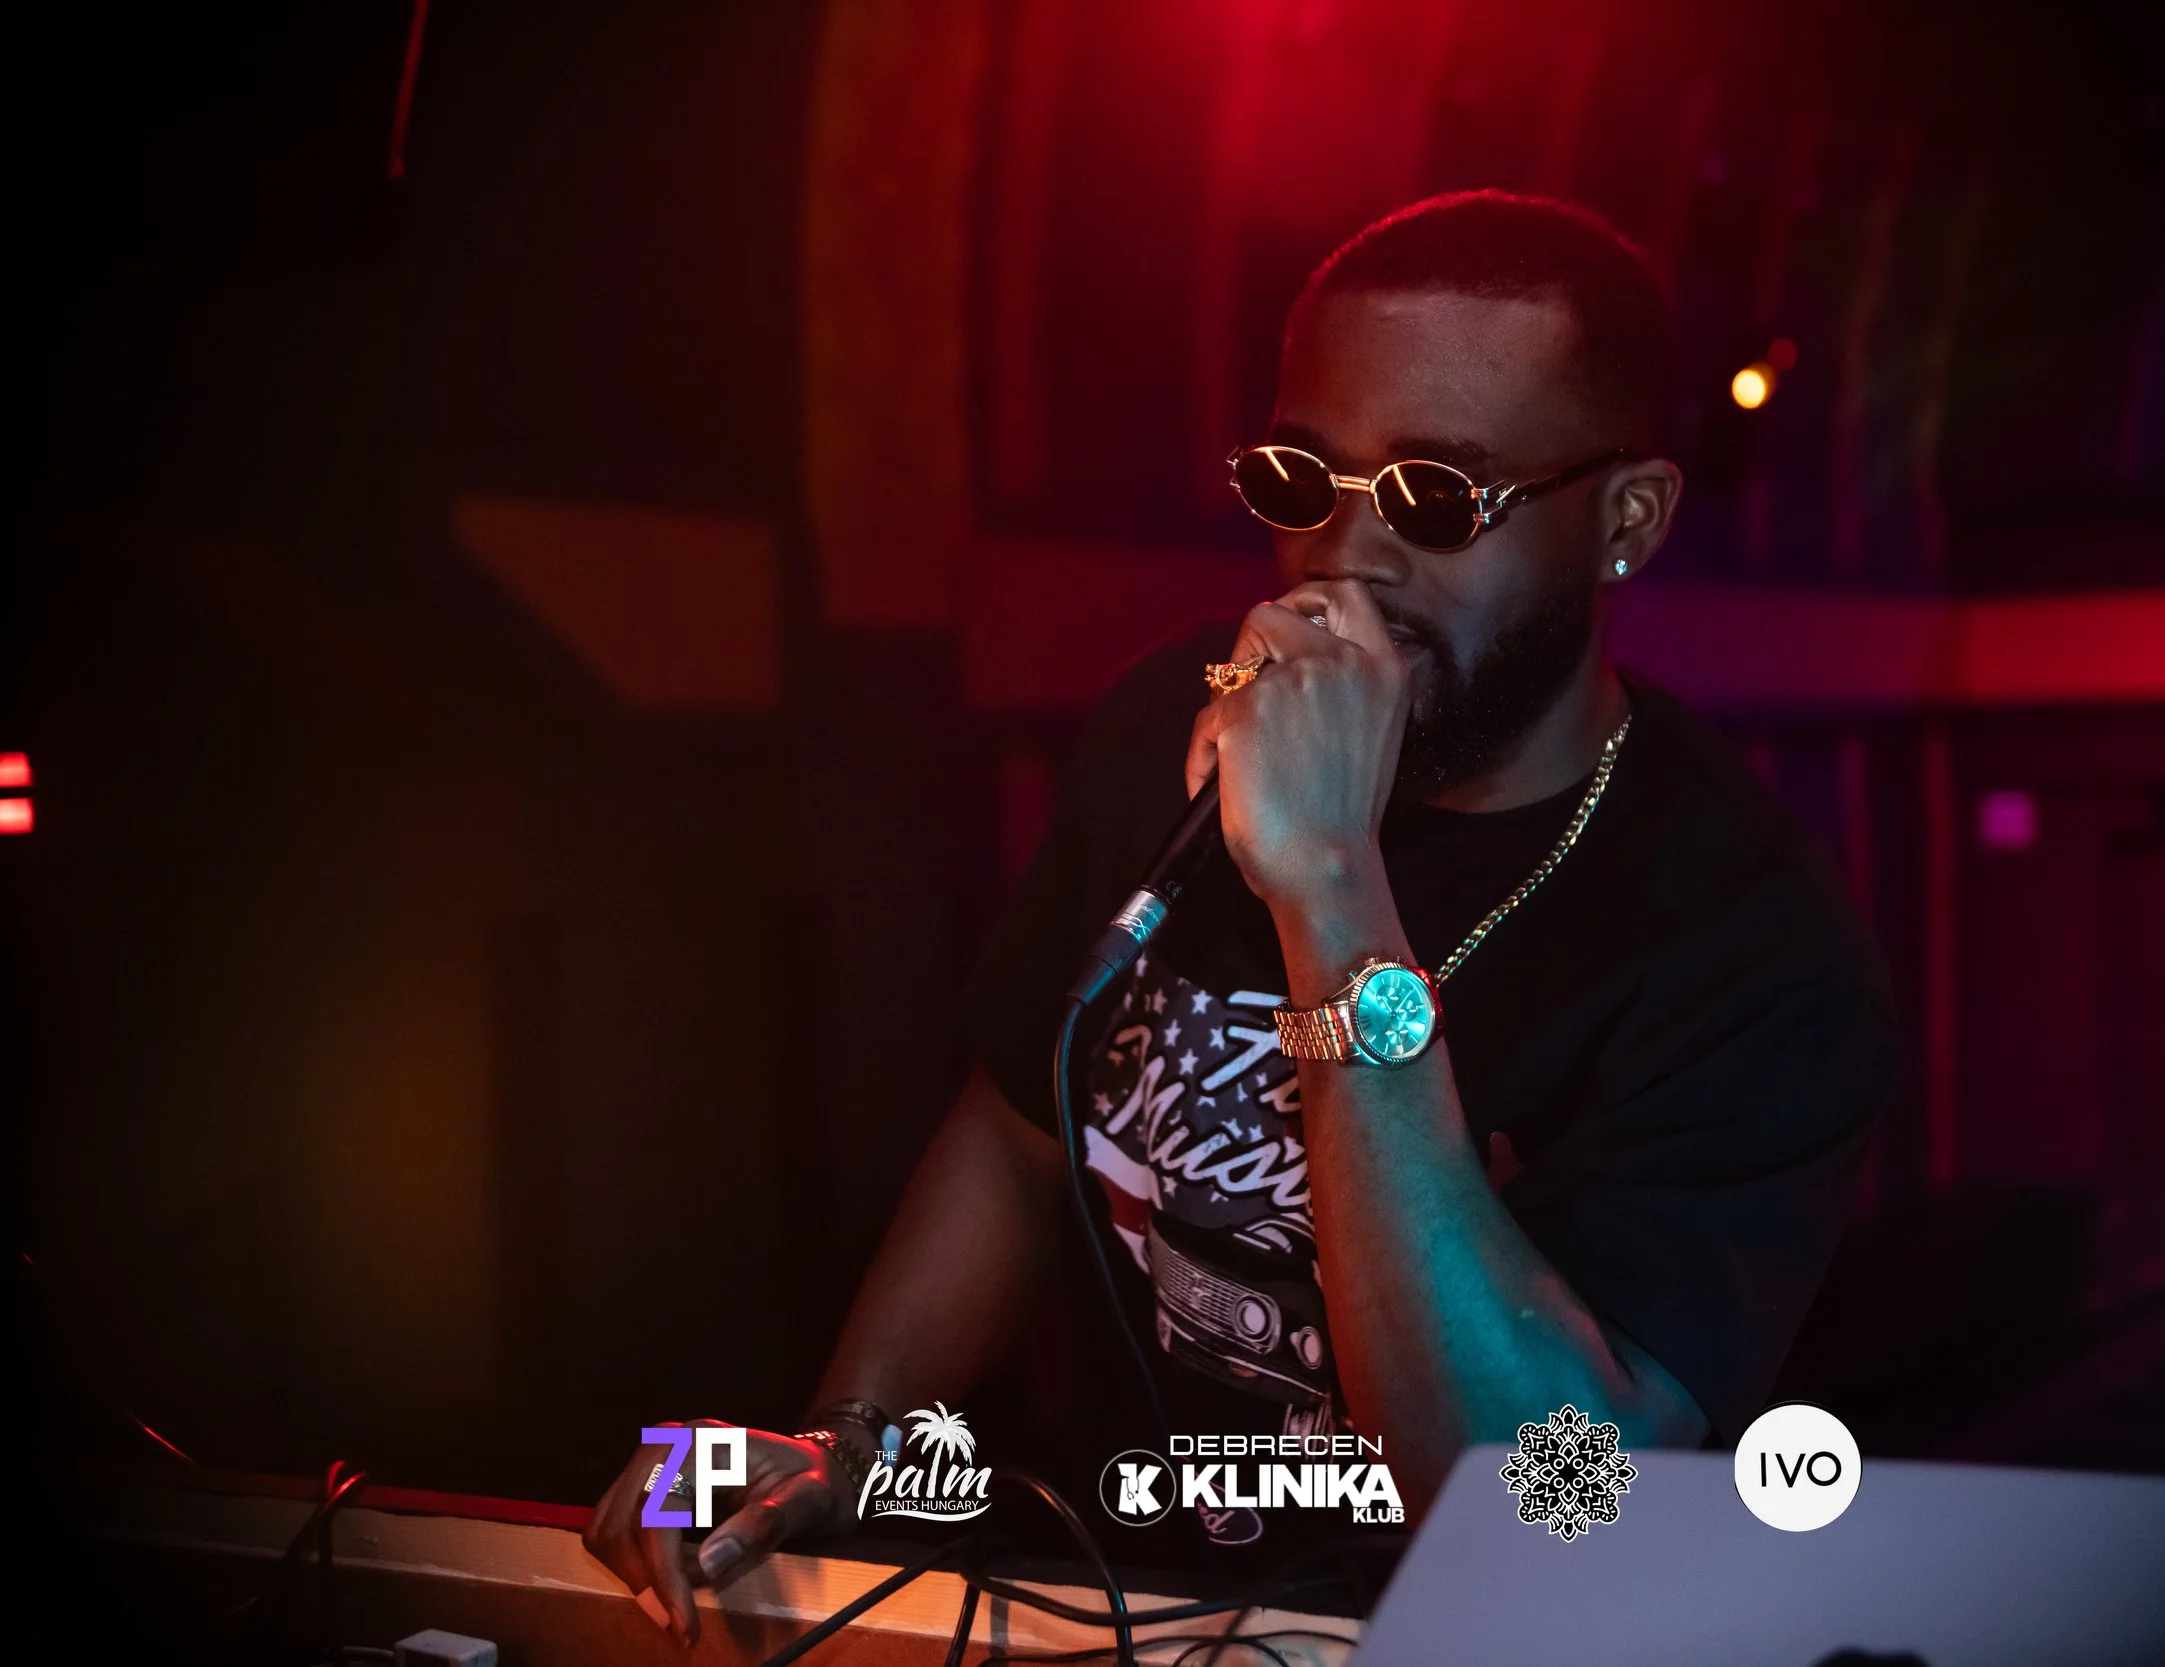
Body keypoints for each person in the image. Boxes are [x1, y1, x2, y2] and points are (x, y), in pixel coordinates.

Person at [585, 190, 1898, 1644]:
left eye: (1435, 499)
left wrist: (1332, 884)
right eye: (1302, 479)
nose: (1347, 556)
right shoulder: (1178, 721)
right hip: (1121, 1619)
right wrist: (853, 1441)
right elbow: (1023, 1134)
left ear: (1625, 521)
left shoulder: (1749, 939)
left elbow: (1550, 1493)